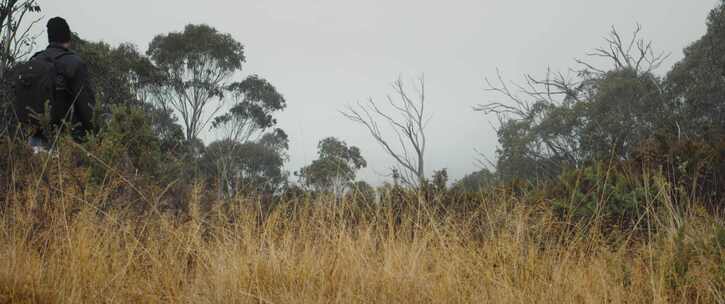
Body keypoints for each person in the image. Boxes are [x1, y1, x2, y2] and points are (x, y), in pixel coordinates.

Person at [25, 17, 96, 152]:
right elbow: (87, 108)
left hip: (35, 139)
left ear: (50, 38)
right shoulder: (75, 63)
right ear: (67, 37)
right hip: (68, 140)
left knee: (33, 172)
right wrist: (96, 135)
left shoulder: (34, 60)